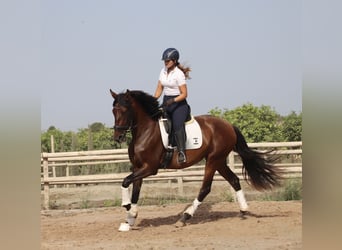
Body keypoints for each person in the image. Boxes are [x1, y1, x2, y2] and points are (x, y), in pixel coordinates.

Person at [154, 48, 191, 164]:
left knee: (177, 124)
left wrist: (173, 100)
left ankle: (181, 152)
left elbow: (184, 94)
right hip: (166, 101)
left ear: (174, 61)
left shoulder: (179, 74)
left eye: (168, 60)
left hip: (179, 104)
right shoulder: (163, 71)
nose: (165, 62)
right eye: (164, 60)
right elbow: (159, 88)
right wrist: (153, 101)